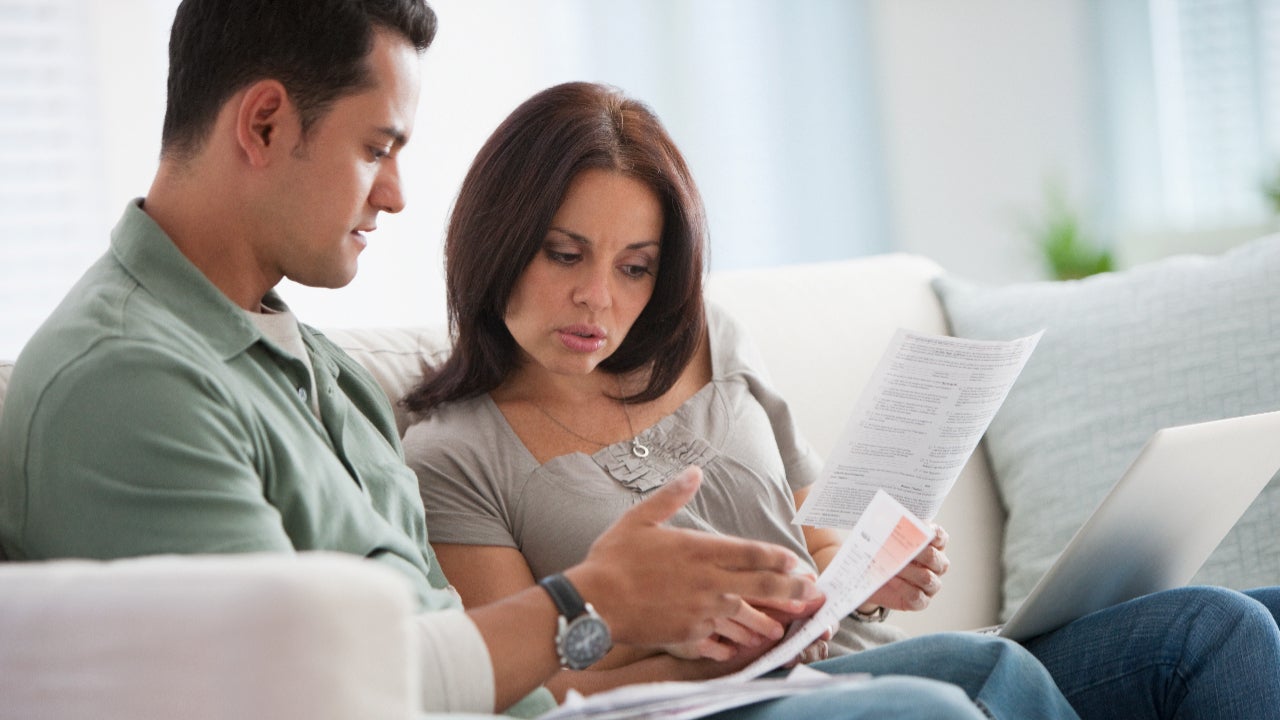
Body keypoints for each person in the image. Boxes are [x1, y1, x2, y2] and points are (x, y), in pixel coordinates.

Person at [0, 2, 1012, 719]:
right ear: (263, 123)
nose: (394, 195)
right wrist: (595, 601)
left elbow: (467, 665)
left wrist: (674, 653)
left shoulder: (310, 365)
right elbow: (298, 694)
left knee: (1011, 667)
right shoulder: (128, 385)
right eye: (375, 147)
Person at [402, 80, 1280, 720]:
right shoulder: (454, 455)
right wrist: (706, 663)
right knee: (986, 681)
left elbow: (808, 526)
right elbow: (522, 691)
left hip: (871, 665)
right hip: (727, 705)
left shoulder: (710, 339)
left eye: (635, 267)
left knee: (1224, 625)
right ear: (499, 238)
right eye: (564, 254)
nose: (600, 298)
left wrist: (868, 568)